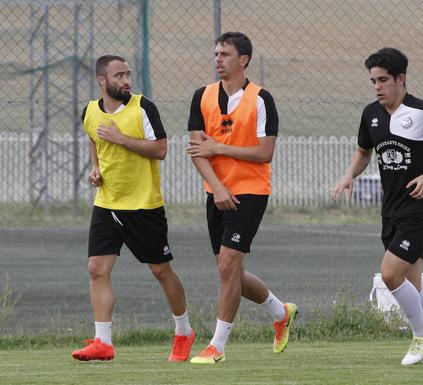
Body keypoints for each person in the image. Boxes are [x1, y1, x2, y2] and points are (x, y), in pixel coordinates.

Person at [331, 48, 423, 366]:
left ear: (401, 79)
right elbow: (364, 151)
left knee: (391, 274)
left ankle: (422, 336)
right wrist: (349, 175)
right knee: (413, 285)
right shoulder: (371, 114)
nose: (377, 86)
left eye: (383, 80)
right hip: (391, 209)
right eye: (373, 81)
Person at [71, 55, 195, 362]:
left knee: (160, 270)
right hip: (106, 204)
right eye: (119, 76)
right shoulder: (89, 111)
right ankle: (103, 341)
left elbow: (161, 150)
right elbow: (93, 139)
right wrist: (95, 168)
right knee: (96, 269)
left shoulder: (143, 108)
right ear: (102, 81)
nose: (126, 80)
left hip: (143, 206)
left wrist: (121, 139)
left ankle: (184, 331)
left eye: (128, 75)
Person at [186, 32, 297, 364]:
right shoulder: (201, 96)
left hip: (250, 192)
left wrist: (219, 147)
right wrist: (217, 187)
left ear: (243, 59)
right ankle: (281, 311)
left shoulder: (261, 99)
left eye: (225, 54)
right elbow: (196, 150)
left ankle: (217, 346)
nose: (218, 59)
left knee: (228, 266)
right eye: (216, 53)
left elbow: (264, 153)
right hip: (216, 192)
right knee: (227, 270)